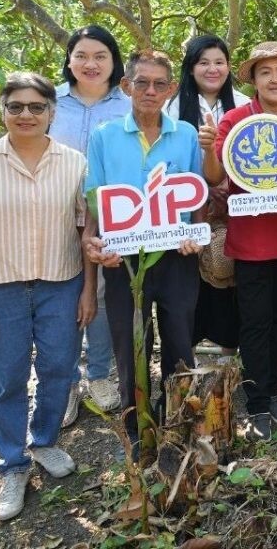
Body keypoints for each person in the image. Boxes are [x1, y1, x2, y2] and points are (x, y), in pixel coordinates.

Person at [0, 73, 94, 521]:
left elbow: (87, 232)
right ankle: (13, 463)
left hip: (60, 286)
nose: (26, 115)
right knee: (7, 378)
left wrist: (89, 290)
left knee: (58, 369)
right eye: (16, 107)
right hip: (0, 289)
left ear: (51, 112)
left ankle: (43, 441)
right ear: (3, 110)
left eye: (36, 107)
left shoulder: (74, 163)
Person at [82, 50, 205, 441]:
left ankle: (180, 419)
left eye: (159, 84)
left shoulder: (185, 133)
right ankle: (138, 428)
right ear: (126, 86)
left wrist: (197, 237)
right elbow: (95, 200)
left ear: (171, 89)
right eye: (141, 83)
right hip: (124, 260)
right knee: (130, 340)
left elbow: (197, 197)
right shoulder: (104, 136)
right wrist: (92, 240)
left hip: (176, 255)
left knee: (179, 336)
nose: (150, 91)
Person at [200, 42, 277, 441]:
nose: (274, 79)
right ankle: (256, 403)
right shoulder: (234, 120)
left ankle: (272, 390)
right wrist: (208, 148)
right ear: (252, 79)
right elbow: (217, 177)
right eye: (265, 72)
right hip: (250, 239)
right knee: (252, 320)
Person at [50, 25, 128, 422]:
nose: (91, 64)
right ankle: (63, 382)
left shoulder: (128, 105)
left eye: (101, 56)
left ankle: (99, 374)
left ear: (114, 62)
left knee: (99, 294)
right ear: (69, 60)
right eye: (82, 55)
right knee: (61, 295)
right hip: (53, 215)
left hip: (108, 216)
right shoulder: (50, 101)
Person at [167, 35, 250, 354]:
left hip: (232, 206)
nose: (212, 69)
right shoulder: (172, 107)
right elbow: (170, 160)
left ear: (229, 67)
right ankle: (185, 351)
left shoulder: (243, 104)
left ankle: (230, 347)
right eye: (203, 62)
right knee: (188, 279)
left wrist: (228, 186)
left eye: (219, 62)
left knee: (226, 272)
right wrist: (201, 189)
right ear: (190, 69)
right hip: (187, 210)